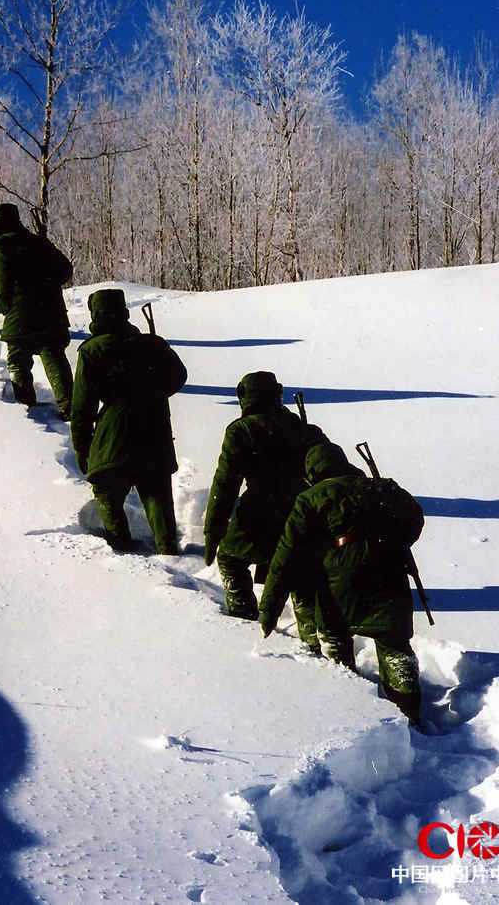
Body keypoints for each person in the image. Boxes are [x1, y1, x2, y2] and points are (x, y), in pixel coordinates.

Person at [258, 442, 425, 724]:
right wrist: (392, 543)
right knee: (395, 645)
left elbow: (285, 557)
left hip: (339, 584)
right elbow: (415, 519)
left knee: (335, 642)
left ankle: (349, 712)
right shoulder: (383, 488)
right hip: (389, 574)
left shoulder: (310, 498)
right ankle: (410, 714)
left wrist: (269, 609)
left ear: (312, 472)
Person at [203, 371, 327, 630]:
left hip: (259, 512)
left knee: (229, 557)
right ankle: (312, 634)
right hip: (303, 514)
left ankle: (244, 618)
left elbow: (226, 483)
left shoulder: (241, 430)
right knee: (299, 574)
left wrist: (214, 529)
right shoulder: (305, 428)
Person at [70, 289, 187, 555]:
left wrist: (82, 448)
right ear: (124, 312)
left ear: (96, 315)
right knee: (158, 503)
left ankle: (123, 557)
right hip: (155, 437)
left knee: (107, 497)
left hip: (113, 442)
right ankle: (170, 556)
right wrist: (152, 388)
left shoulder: (92, 350)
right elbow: (178, 377)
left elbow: (82, 409)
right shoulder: (152, 344)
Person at [0, 203, 74, 418]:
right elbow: (66, 271)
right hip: (52, 310)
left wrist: (6, 307)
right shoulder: (39, 241)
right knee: (53, 355)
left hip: (21, 312)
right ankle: (70, 406)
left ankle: (26, 410)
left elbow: (2, 282)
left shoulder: (0, 244)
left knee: (18, 360)